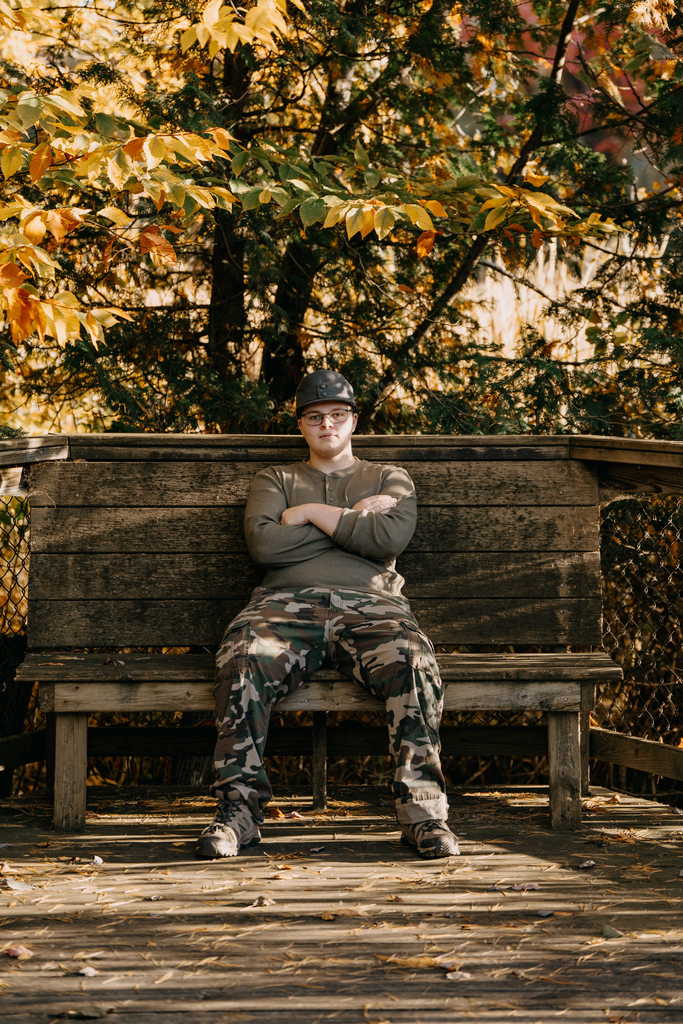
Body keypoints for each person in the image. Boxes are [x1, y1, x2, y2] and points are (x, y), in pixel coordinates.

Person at [195, 370, 459, 860]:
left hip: (373, 608)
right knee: (244, 657)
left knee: (411, 661)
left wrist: (305, 515)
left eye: (338, 415)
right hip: (283, 607)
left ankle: (424, 815)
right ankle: (238, 815)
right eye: (315, 417)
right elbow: (266, 546)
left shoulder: (389, 478)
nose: (327, 425)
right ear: (301, 424)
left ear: (354, 420)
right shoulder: (276, 480)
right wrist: (351, 516)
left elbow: (388, 539)